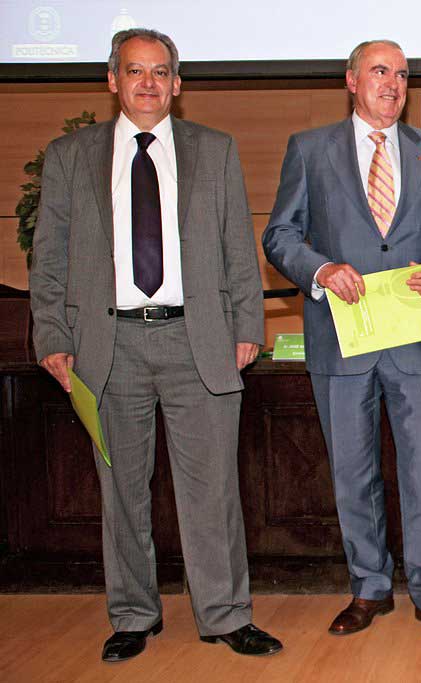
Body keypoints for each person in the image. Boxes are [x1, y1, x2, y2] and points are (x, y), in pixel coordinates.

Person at [30, 28, 281, 661]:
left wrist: (248, 325)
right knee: (120, 490)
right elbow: (49, 259)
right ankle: (134, 616)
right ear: (113, 81)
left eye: (160, 72)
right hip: (105, 346)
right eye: (134, 71)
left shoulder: (215, 151)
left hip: (198, 340)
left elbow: (236, 250)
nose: (148, 82)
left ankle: (226, 614)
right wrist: (53, 334)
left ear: (177, 83)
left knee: (213, 489)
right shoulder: (69, 156)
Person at [262, 39, 421, 643]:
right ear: (351, 80)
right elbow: (280, 235)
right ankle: (369, 587)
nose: (393, 84)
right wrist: (321, 271)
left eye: (402, 75)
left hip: (415, 339)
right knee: (353, 472)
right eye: (380, 71)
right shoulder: (309, 149)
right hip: (340, 337)